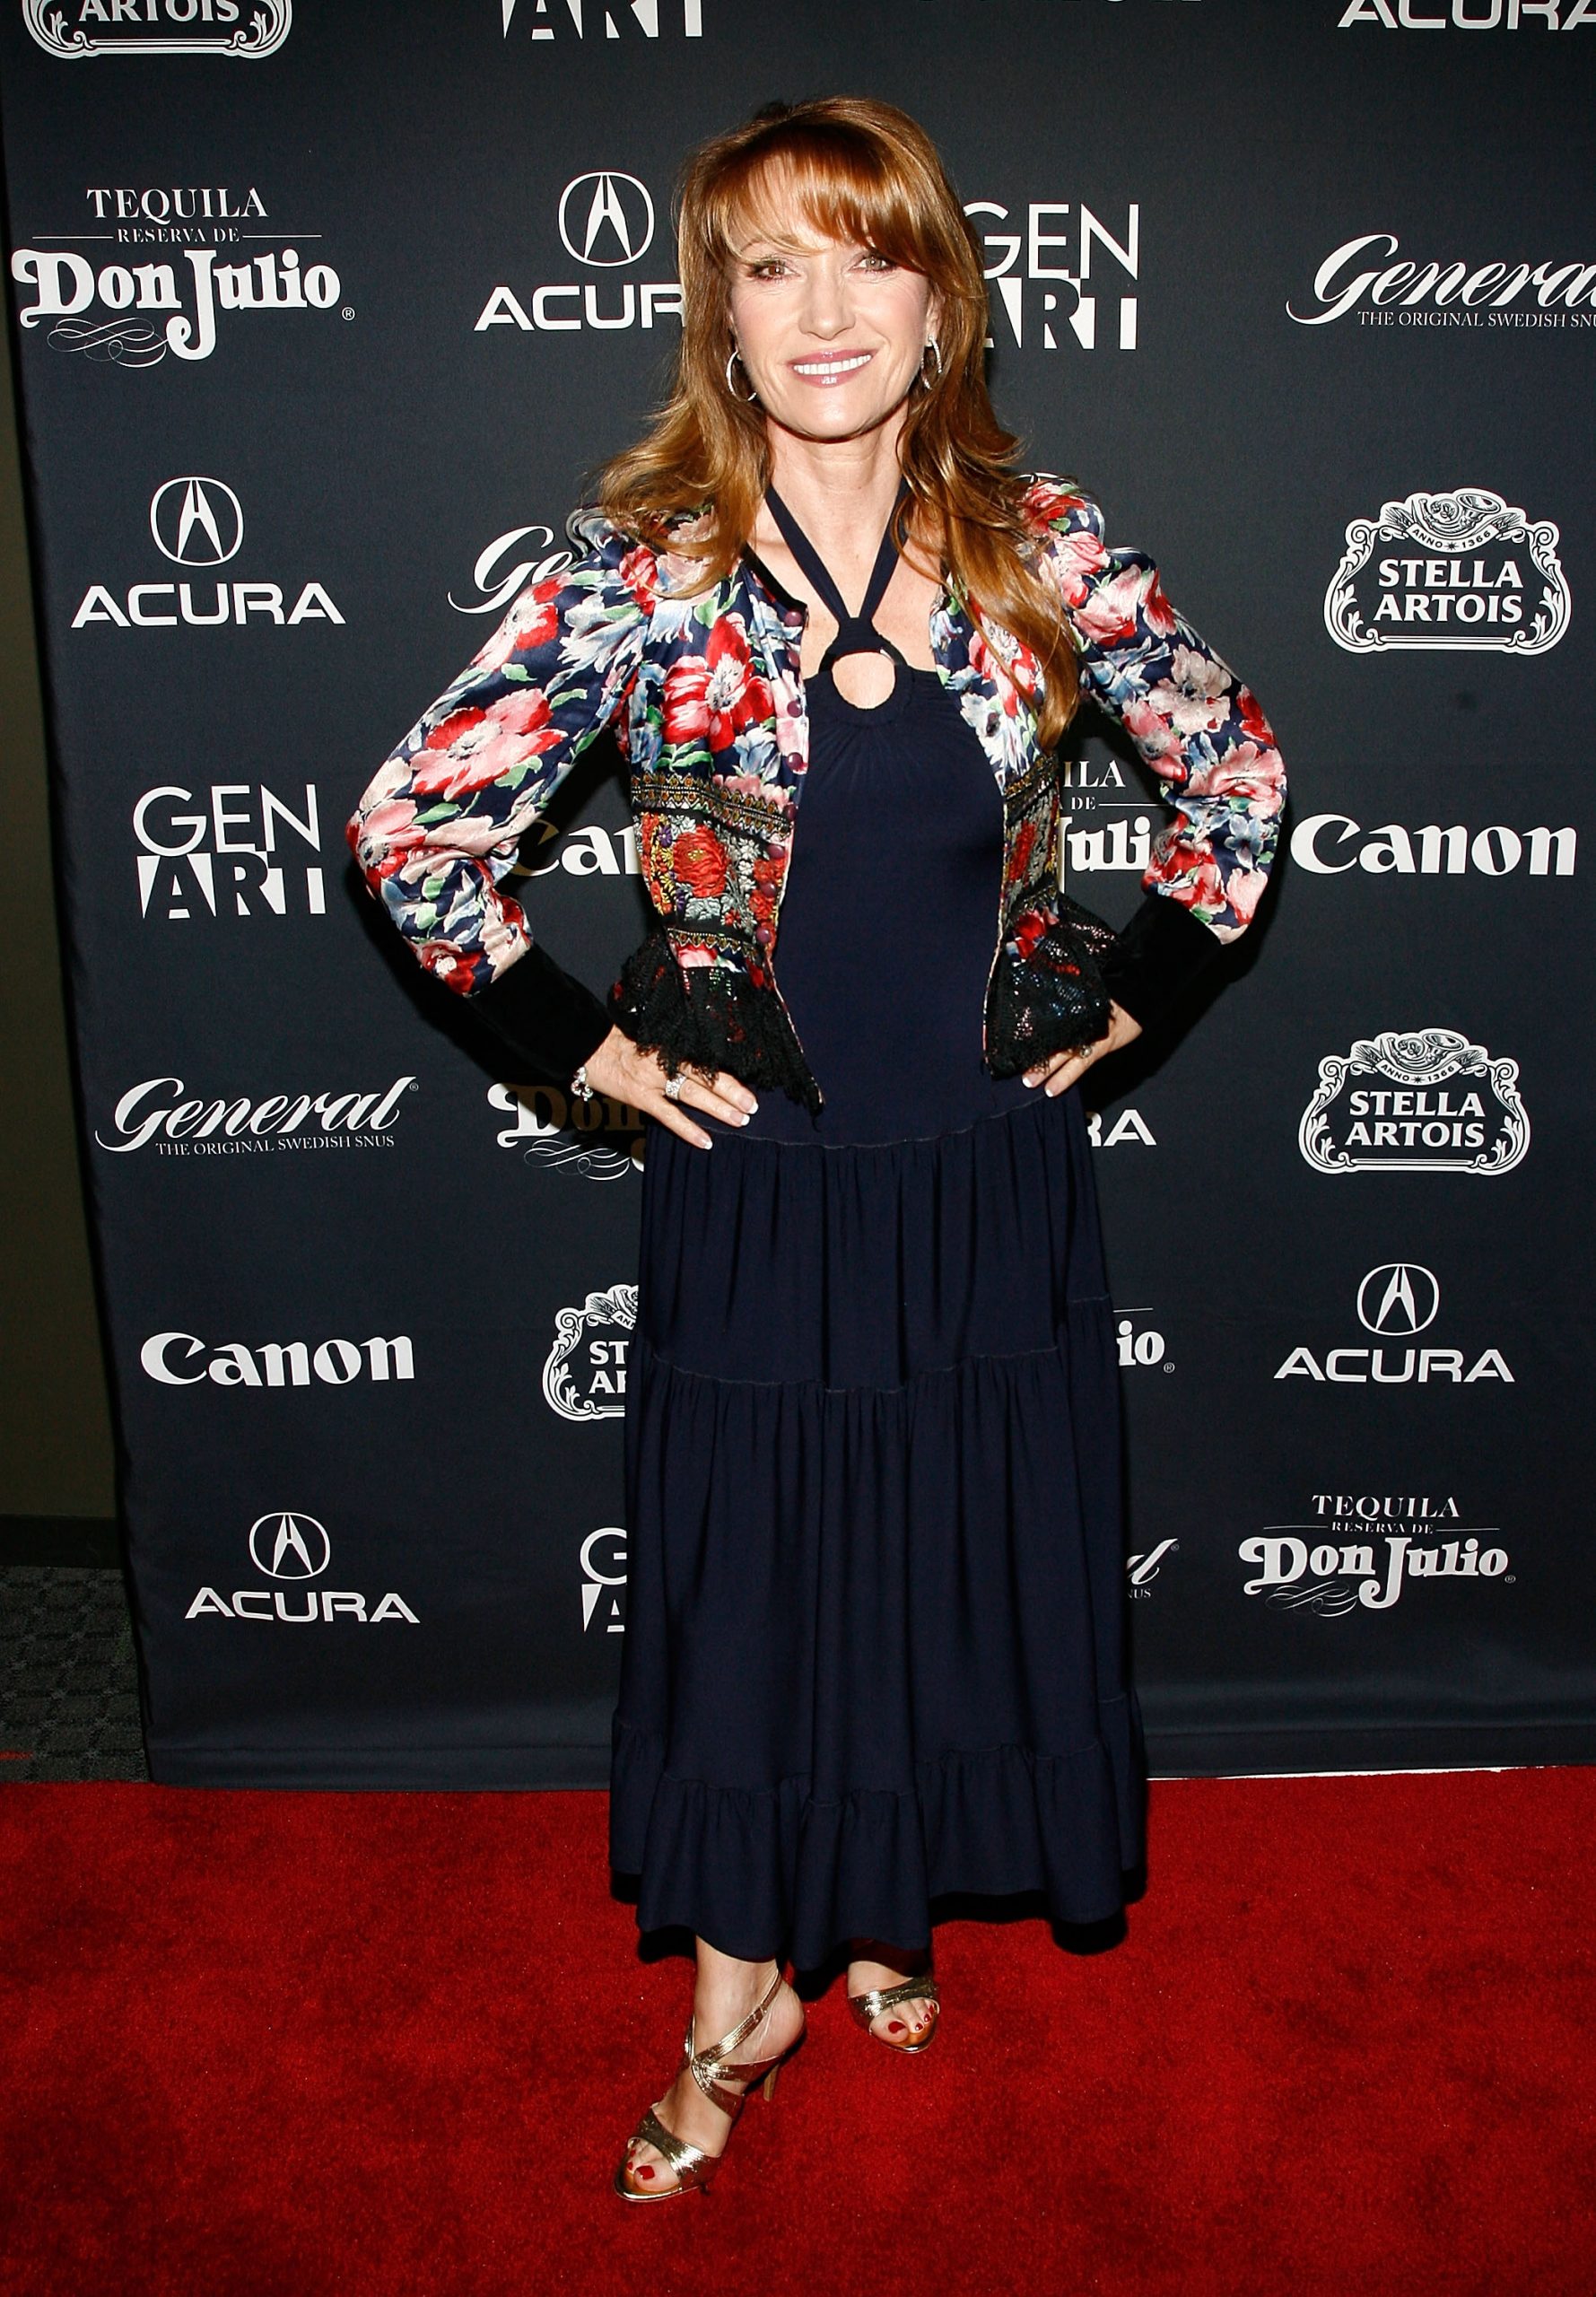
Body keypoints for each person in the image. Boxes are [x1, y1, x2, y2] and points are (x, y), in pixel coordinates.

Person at [346, 95, 1286, 2201]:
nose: (824, 307)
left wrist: (1143, 983)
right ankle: (726, 2010)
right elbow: (412, 828)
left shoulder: (1040, 549)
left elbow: (1232, 767)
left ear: (939, 297)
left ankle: (883, 1908)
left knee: (944, 1573)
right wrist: (581, 1042)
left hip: (981, 1174)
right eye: (770, 267)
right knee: (758, 1598)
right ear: (721, 319)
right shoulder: (646, 571)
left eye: (865, 256)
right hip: (761, 1191)